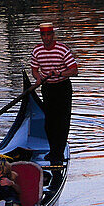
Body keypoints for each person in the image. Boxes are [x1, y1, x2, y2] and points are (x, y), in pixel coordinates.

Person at [30, 22, 78, 166]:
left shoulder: (62, 49)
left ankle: (59, 153)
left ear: (53, 35)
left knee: (62, 121)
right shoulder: (37, 51)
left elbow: (74, 70)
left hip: (63, 87)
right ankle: (53, 151)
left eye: (48, 34)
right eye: (43, 35)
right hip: (48, 88)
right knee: (50, 123)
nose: (46, 38)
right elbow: (34, 69)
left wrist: (59, 73)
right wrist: (38, 79)